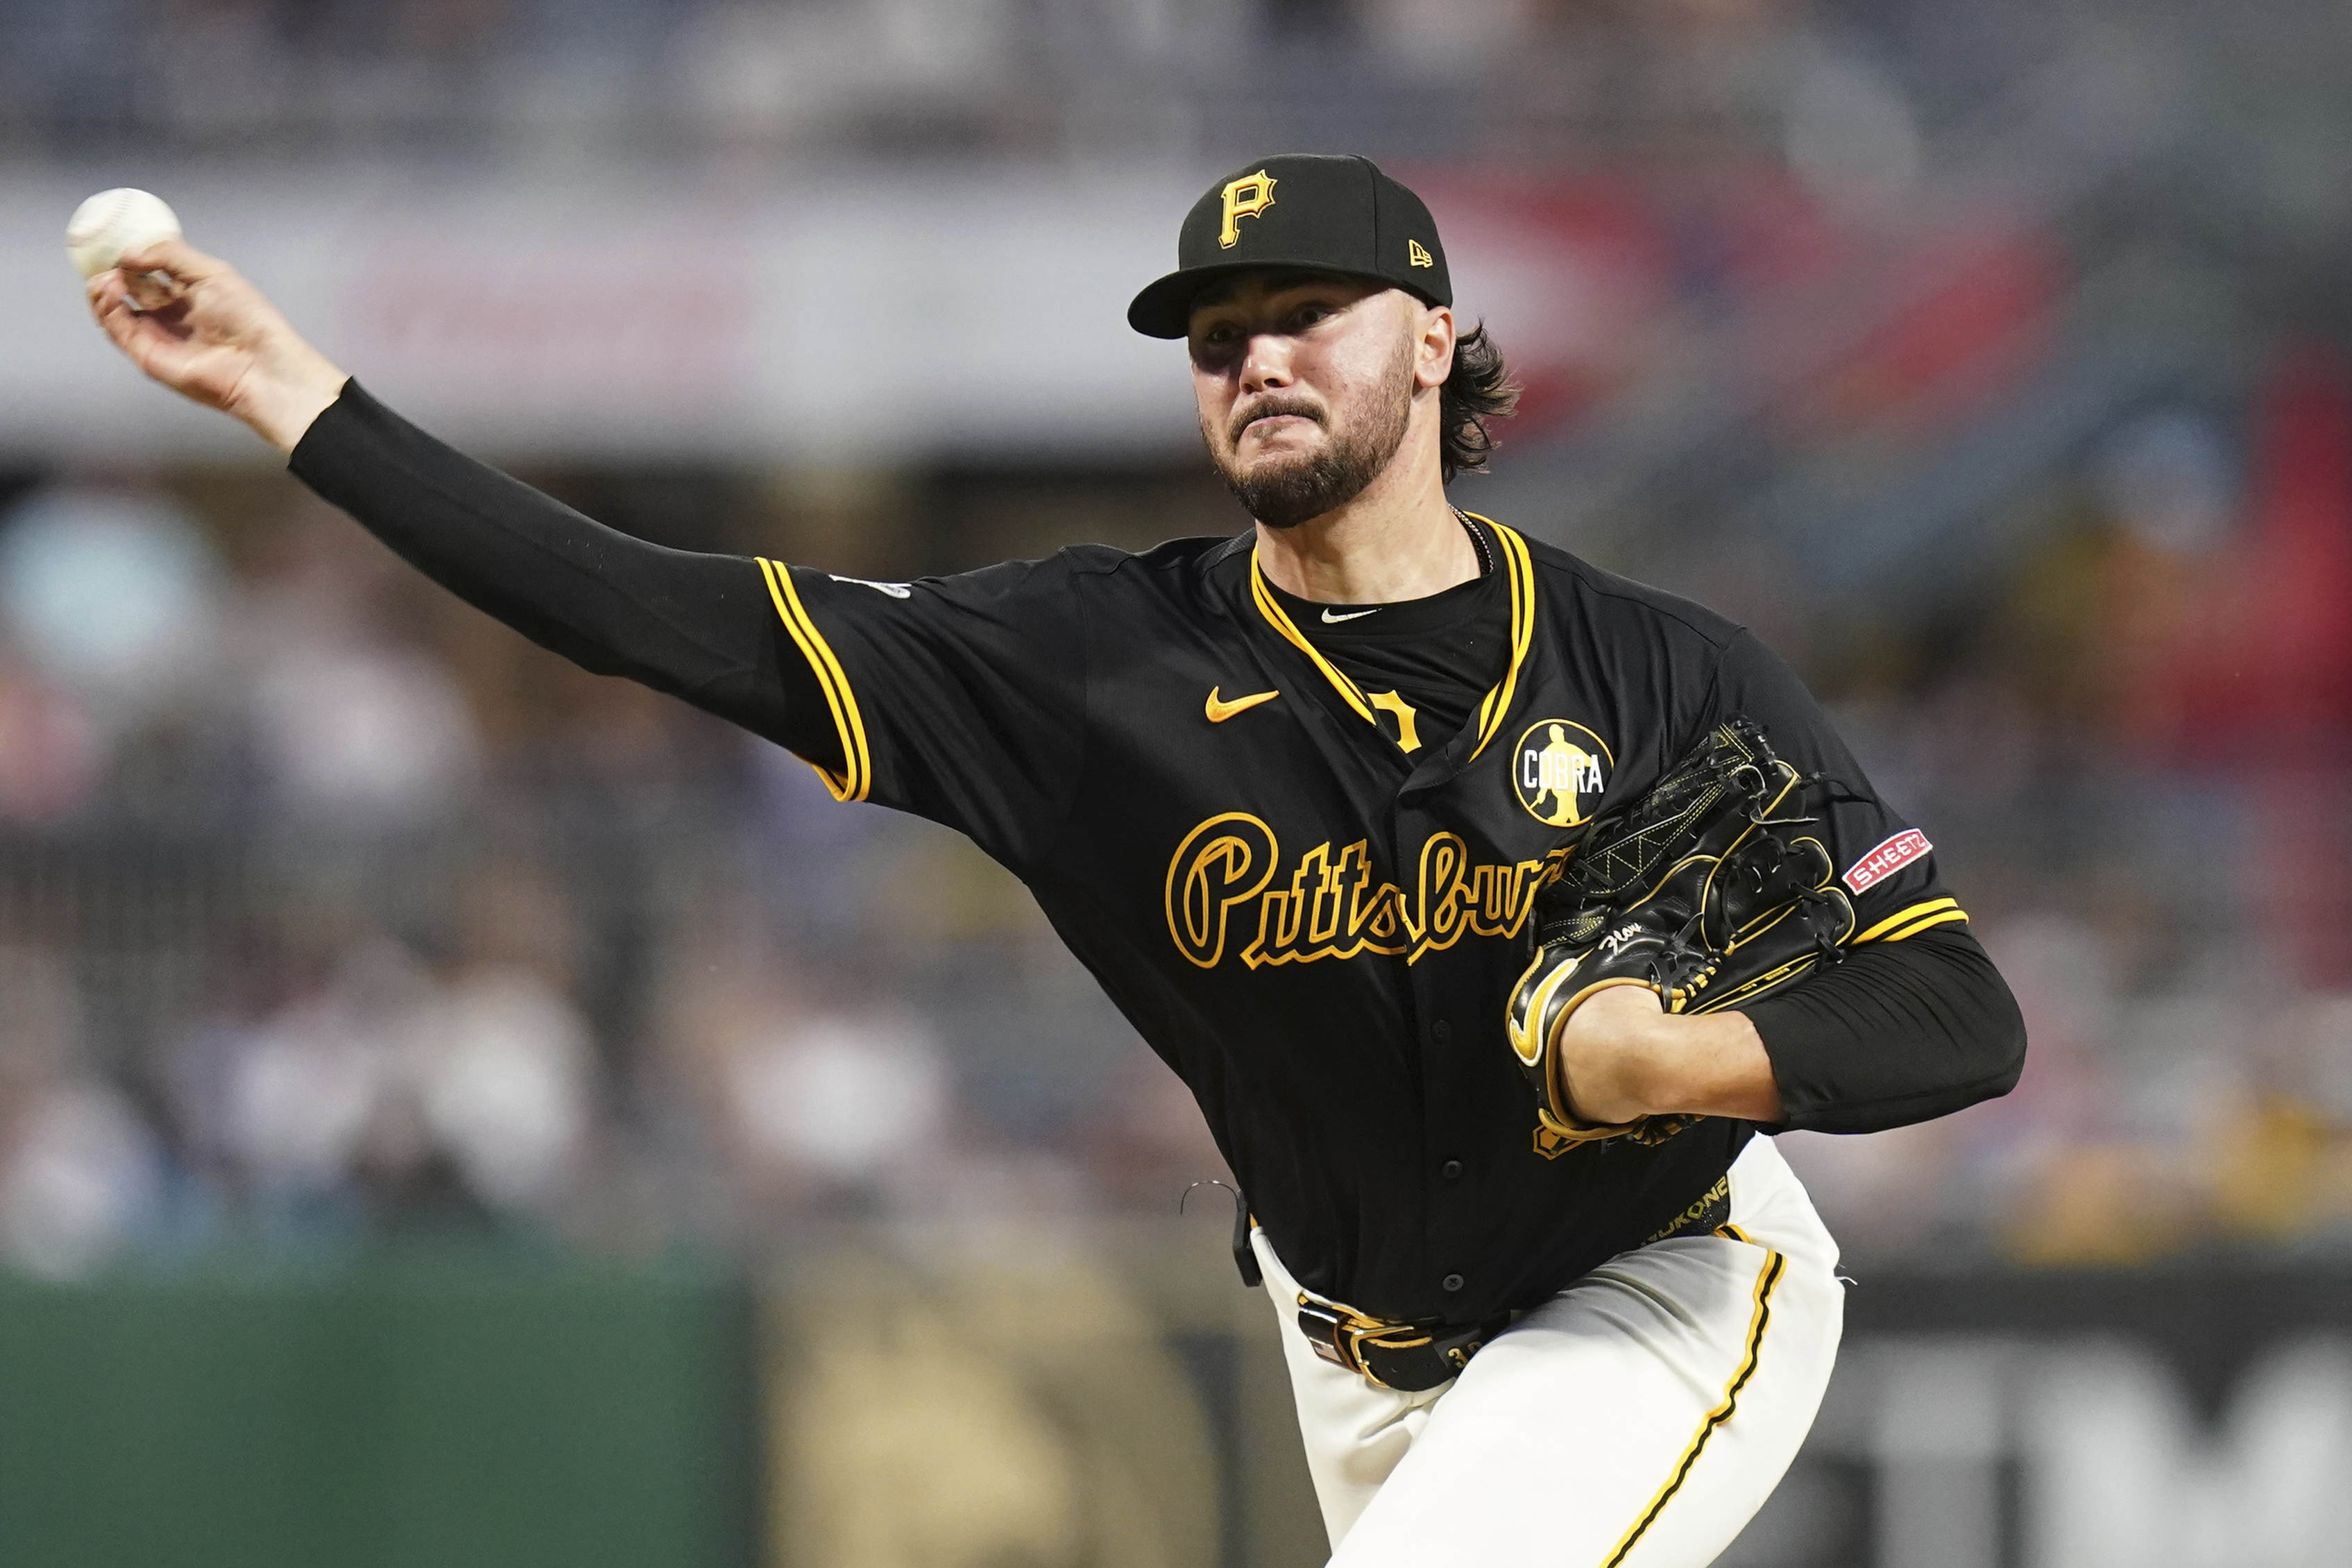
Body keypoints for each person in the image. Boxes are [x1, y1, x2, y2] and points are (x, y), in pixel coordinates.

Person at [87, 153, 2025, 1566]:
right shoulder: (1087, 662)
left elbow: (1956, 1009)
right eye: (1219, 336)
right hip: (1352, 1334)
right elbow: (647, 613)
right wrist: (291, 398)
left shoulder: (1664, 670)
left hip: (1659, 1271)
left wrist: (1679, 1060)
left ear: (1435, 343)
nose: (1255, 359)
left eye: (1306, 321)